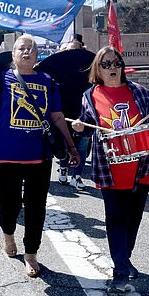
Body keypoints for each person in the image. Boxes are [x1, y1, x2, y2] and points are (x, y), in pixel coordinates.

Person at [0, 34, 79, 277]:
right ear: (13, 53)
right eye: (22, 48)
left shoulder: (48, 82)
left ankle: (31, 253)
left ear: (36, 54)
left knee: (36, 208)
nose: (27, 52)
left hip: (39, 158)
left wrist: (71, 146)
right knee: (9, 206)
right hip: (4, 157)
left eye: (31, 49)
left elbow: (57, 117)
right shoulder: (1, 81)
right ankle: (8, 233)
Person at [71, 46, 149, 292]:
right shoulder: (90, 96)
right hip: (109, 168)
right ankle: (120, 270)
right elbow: (87, 126)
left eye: (117, 63)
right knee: (115, 218)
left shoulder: (139, 92)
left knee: (133, 219)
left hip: (141, 167)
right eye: (106, 64)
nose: (113, 68)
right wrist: (80, 129)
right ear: (98, 69)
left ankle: (124, 259)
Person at [56, 36, 90, 190]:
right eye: (69, 50)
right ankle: (63, 169)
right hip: (64, 113)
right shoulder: (58, 70)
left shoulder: (89, 68)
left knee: (82, 146)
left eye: (75, 50)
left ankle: (77, 177)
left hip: (84, 113)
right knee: (65, 144)